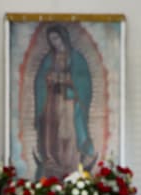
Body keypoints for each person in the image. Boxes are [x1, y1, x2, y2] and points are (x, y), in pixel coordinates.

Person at [33, 23, 95, 178]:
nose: (54, 42)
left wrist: (66, 80)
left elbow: (83, 82)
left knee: (68, 132)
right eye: (50, 39)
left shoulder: (76, 58)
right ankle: (52, 163)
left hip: (69, 102)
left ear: (63, 37)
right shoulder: (48, 59)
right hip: (52, 102)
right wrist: (49, 79)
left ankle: (70, 164)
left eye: (56, 37)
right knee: (52, 132)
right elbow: (40, 80)